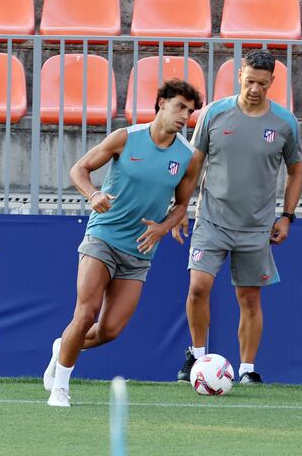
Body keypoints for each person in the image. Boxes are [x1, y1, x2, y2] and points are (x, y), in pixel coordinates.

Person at [44, 79, 203, 406]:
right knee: (86, 313)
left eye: (189, 111)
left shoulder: (187, 157)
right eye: (179, 107)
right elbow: (80, 168)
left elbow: (182, 206)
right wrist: (93, 193)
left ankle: (63, 348)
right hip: (103, 236)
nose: (184, 115)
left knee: (109, 330)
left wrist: (161, 228)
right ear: (161, 102)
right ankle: (60, 386)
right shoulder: (125, 138)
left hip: (139, 251)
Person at [174, 50, 302, 384]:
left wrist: (287, 216)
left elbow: (295, 171)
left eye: (262, 83)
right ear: (240, 77)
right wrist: (178, 210)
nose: (255, 89)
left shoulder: (284, 123)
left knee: (248, 297)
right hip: (212, 220)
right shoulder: (214, 114)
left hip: (256, 227)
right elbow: (193, 166)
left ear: (272, 81)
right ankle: (197, 359)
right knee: (198, 288)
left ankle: (247, 371)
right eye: (250, 81)